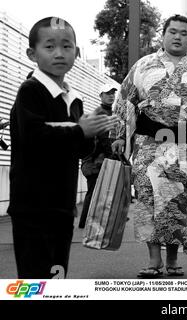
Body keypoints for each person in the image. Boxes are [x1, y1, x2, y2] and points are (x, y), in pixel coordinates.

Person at [111, 15, 187, 278]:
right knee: (147, 198)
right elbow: (124, 102)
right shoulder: (143, 66)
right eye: (173, 32)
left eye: (184, 33)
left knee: (180, 200)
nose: (178, 37)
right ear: (163, 35)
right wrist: (120, 135)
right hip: (148, 143)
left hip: (186, 144)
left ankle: (173, 259)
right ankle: (153, 260)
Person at [8, 17, 117, 279]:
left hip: (62, 204)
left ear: (76, 53)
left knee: (57, 273)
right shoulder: (30, 91)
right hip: (33, 206)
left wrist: (91, 134)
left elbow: (78, 150)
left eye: (67, 46)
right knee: (36, 276)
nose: (59, 53)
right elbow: (34, 138)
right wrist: (81, 130)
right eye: (50, 47)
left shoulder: (74, 99)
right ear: (32, 54)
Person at [78, 83, 119, 228]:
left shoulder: (109, 112)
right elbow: (103, 137)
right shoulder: (101, 112)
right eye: (107, 93)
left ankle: (93, 221)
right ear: (100, 96)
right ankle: (85, 223)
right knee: (93, 191)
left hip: (98, 159)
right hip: (94, 161)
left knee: (98, 191)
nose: (111, 96)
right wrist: (110, 156)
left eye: (113, 93)